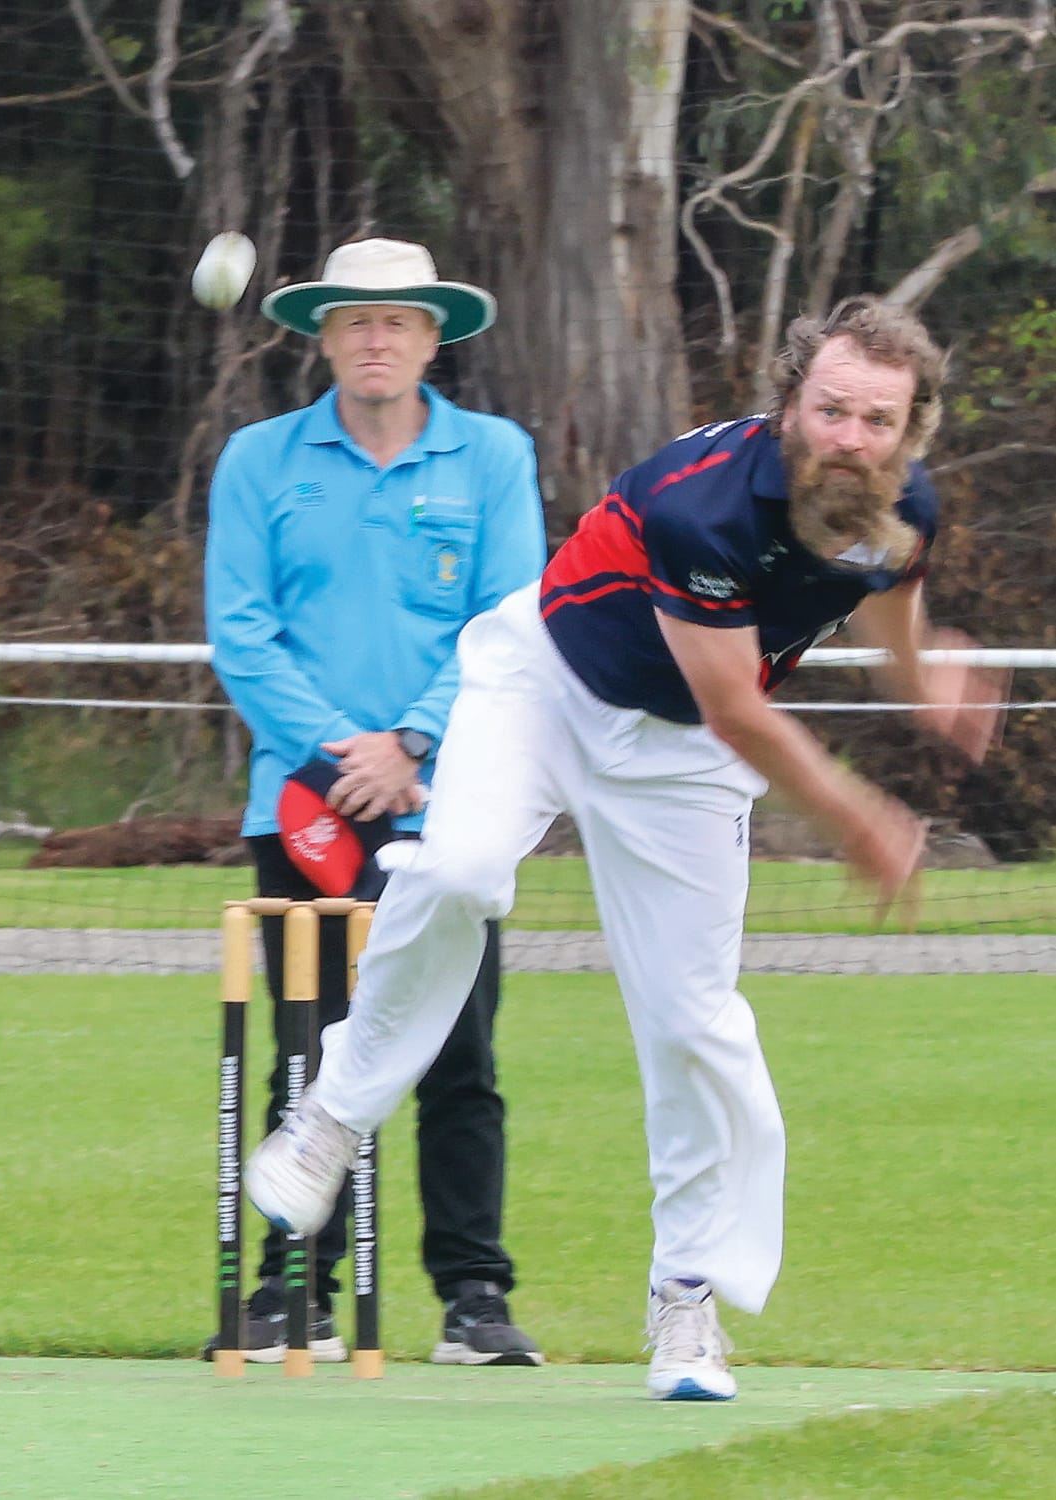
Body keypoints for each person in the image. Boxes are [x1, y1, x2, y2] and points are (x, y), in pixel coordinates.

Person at [244, 295, 1006, 1399]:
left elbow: (884, 603)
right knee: (456, 871)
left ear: (909, 432)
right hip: (546, 682)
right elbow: (740, 707)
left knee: (692, 1022)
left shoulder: (900, 504)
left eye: (876, 420)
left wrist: (924, 673)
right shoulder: (705, 508)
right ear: (787, 403)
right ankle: (330, 1116)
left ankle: (685, 1298)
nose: (849, 436)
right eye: (830, 408)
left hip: (682, 760)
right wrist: (860, 817)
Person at [204, 238, 549, 1366]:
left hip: (451, 801)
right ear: (322, 335)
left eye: (397, 321)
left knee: (459, 1051)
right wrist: (336, 749)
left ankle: (472, 1298)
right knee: (304, 1054)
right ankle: (284, 1289)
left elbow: (511, 624)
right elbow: (241, 633)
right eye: (353, 320)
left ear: (431, 336)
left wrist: (409, 745)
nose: (375, 338)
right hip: (300, 803)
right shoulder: (259, 461)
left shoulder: (492, 456)